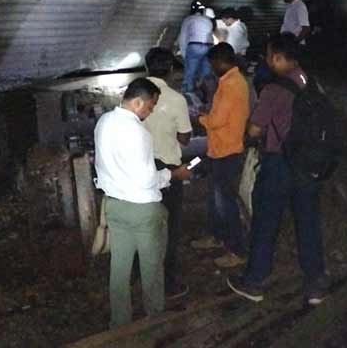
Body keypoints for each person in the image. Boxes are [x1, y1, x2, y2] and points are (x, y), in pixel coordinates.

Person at [227, 33, 331, 306]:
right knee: (308, 223)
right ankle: (315, 285)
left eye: (270, 55)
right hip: (309, 164)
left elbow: (255, 129)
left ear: (278, 57)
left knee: (265, 224)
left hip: (280, 164)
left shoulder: (274, 90)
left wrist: (250, 135)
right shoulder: (312, 82)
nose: (268, 60)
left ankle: (254, 282)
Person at [94, 78, 192, 328]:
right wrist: (173, 175)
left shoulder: (103, 122)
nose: (150, 112)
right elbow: (147, 179)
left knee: (120, 266)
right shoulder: (139, 133)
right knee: (152, 265)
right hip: (142, 209)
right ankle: (154, 316)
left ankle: (120, 320)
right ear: (138, 102)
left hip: (114, 205)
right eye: (150, 106)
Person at [191, 42, 250, 268]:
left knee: (226, 202)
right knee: (215, 199)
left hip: (227, 151)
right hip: (221, 148)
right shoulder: (232, 81)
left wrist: (200, 119)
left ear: (221, 62)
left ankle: (237, 249)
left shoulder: (231, 85)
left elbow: (217, 121)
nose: (211, 68)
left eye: (212, 64)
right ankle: (215, 236)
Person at [142, 48, 194, 300]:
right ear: (171, 69)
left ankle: (139, 275)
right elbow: (185, 138)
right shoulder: (176, 99)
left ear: (146, 68)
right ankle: (168, 284)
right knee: (170, 228)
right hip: (169, 170)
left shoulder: (133, 95)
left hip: (139, 169)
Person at [176, 0, 215, 93]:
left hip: (194, 46)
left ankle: (188, 95)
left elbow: (183, 37)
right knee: (205, 74)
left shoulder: (188, 19)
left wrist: (184, 54)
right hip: (208, 46)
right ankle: (206, 95)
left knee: (190, 74)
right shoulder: (208, 20)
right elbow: (211, 36)